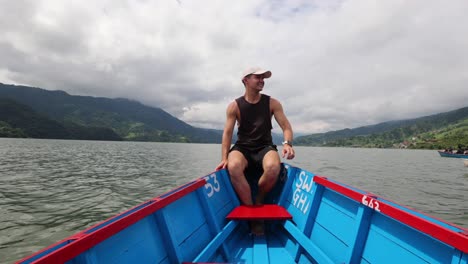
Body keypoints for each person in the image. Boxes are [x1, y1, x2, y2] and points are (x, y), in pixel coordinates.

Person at [215, 67, 295, 209]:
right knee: (233, 166)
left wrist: (288, 144)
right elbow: (227, 133)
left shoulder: (272, 103)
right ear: (246, 80)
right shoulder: (234, 106)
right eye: (257, 77)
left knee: (273, 167)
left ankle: (259, 198)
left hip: (265, 147)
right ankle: (250, 209)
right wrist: (224, 158)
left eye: (263, 78)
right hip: (242, 148)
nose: (262, 81)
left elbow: (286, 127)